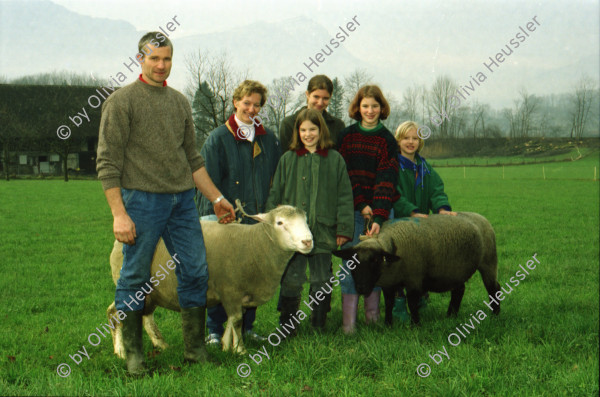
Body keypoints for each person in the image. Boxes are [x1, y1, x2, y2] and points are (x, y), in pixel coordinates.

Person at [96, 32, 235, 375]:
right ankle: (133, 357)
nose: (161, 65)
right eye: (154, 58)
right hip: (141, 201)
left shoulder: (179, 102)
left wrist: (216, 199)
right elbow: (107, 162)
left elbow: (192, 159)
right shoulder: (122, 102)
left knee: (195, 270)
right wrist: (119, 214)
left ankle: (195, 351)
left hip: (182, 202)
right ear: (140, 58)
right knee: (135, 274)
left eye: (167, 58)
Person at [196, 80, 281, 345]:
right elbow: (205, 180)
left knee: (252, 274)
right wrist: (215, 212)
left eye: (257, 105)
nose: (252, 109)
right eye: (247, 103)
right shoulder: (218, 138)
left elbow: (276, 179)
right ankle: (213, 329)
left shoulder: (268, 139)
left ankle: (246, 328)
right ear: (235, 102)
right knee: (222, 275)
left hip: (256, 218)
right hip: (223, 220)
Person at [266, 109, 354, 334]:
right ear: (297, 132)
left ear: (321, 130)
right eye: (303, 130)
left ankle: (319, 323)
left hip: (324, 231)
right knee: (292, 279)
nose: (308, 134)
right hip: (294, 236)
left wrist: (344, 228)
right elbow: (275, 194)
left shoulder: (335, 160)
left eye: (312, 129)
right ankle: (287, 325)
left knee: (322, 278)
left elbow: (345, 196)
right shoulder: (288, 159)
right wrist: (273, 224)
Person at [337, 85, 399, 334]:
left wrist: (379, 213)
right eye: (365, 106)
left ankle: (372, 318)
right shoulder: (347, 137)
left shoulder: (387, 140)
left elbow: (388, 177)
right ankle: (348, 324)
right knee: (351, 264)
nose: (370, 110)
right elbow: (346, 175)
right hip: (352, 209)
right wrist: (361, 204)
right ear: (357, 108)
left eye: (375, 106)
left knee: (375, 263)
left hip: (381, 212)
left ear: (382, 108)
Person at [391, 120, 456, 321]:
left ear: (420, 142)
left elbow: (436, 189)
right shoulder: (392, 166)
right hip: (399, 225)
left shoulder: (424, 167)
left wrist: (442, 208)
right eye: (406, 138)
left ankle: (419, 298)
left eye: (415, 138)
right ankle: (398, 303)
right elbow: (392, 193)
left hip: (422, 225)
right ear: (398, 140)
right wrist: (410, 211)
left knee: (421, 262)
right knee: (398, 265)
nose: (410, 142)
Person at [279, 75, 345, 151]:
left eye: (325, 98)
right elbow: (285, 159)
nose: (320, 103)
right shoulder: (289, 124)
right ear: (307, 94)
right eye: (316, 97)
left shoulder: (338, 125)